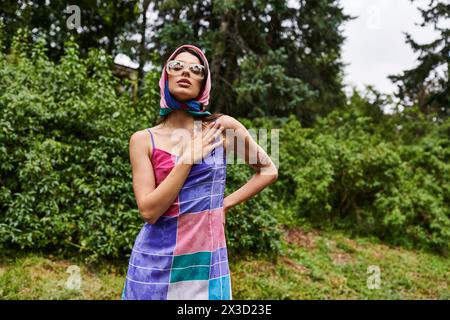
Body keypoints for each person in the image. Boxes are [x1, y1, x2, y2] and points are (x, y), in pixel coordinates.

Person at [121, 44, 278, 300]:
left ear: (203, 83)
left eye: (196, 69)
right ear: (166, 76)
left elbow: (268, 170)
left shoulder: (221, 128)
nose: (186, 72)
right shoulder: (142, 140)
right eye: (177, 66)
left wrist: (224, 205)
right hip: (154, 263)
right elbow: (149, 211)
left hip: (205, 261)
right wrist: (187, 159)